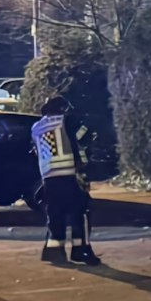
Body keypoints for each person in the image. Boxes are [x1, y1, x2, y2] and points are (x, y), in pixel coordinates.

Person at [31, 96, 101, 266]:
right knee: (81, 212)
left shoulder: (37, 127)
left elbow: (36, 150)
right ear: (62, 108)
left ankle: (54, 250)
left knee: (56, 214)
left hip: (49, 176)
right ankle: (81, 250)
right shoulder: (66, 120)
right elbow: (84, 137)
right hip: (70, 174)